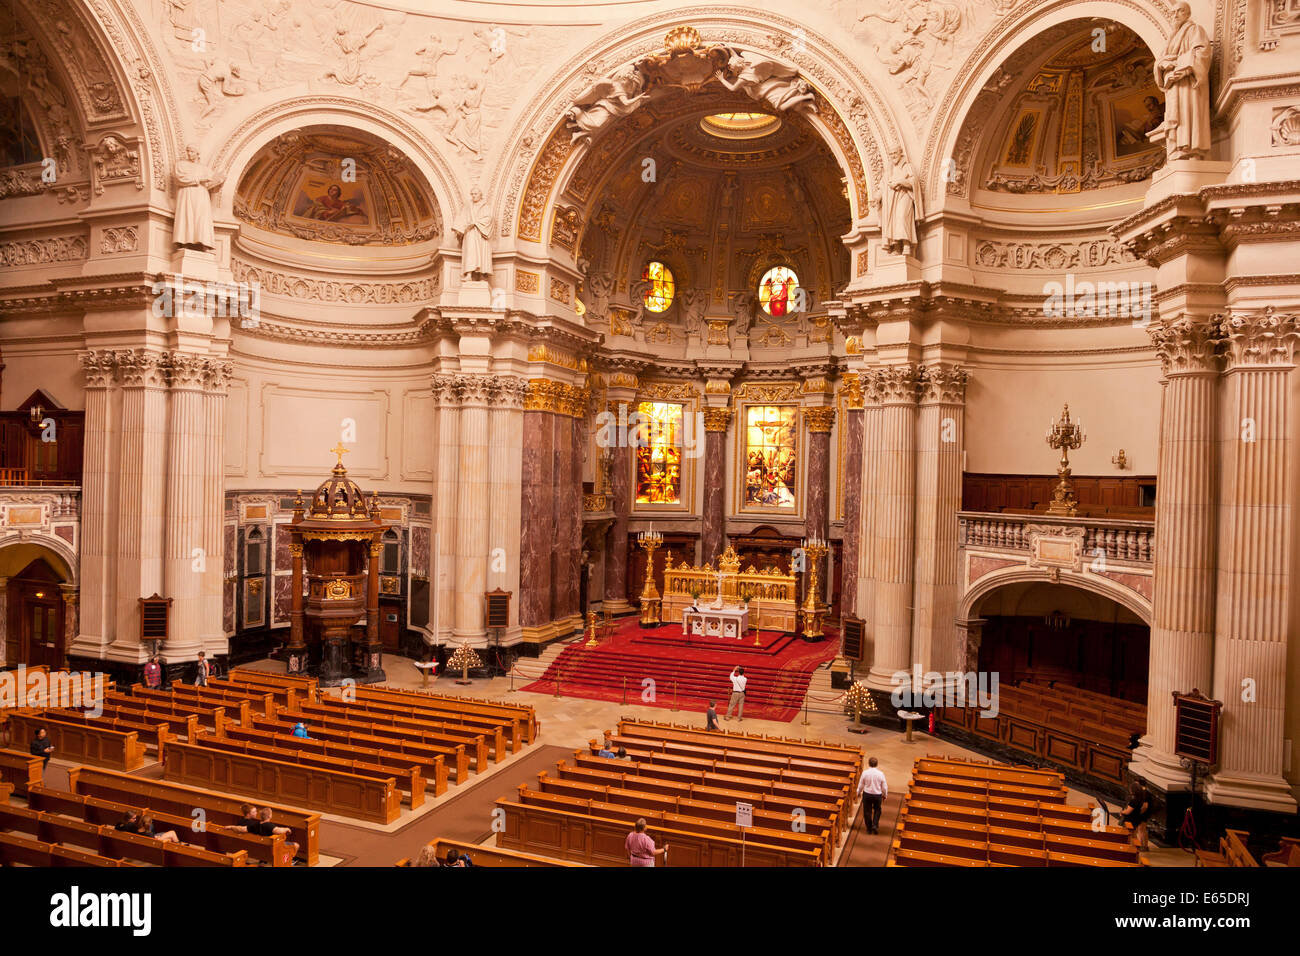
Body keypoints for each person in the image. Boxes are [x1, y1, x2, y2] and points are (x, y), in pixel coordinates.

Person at [857, 756, 888, 835]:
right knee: (878, 810)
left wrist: (858, 793)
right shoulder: (881, 774)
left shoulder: (865, 773)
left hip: (867, 794)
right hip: (877, 795)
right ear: (877, 764)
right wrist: (885, 795)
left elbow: (861, 784)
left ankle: (869, 828)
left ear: (869, 764)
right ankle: (875, 824)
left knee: (867, 811)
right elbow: (884, 786)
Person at [1121, 780, 1152, 850]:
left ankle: (1141, 846)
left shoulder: (1144, 794)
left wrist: (1138, 813)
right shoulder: (1142, 794)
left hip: (1141, 814)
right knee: (1138, 831)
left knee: (1140, 830)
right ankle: (1141, 846)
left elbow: (1145, 807)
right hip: (1139, 814)